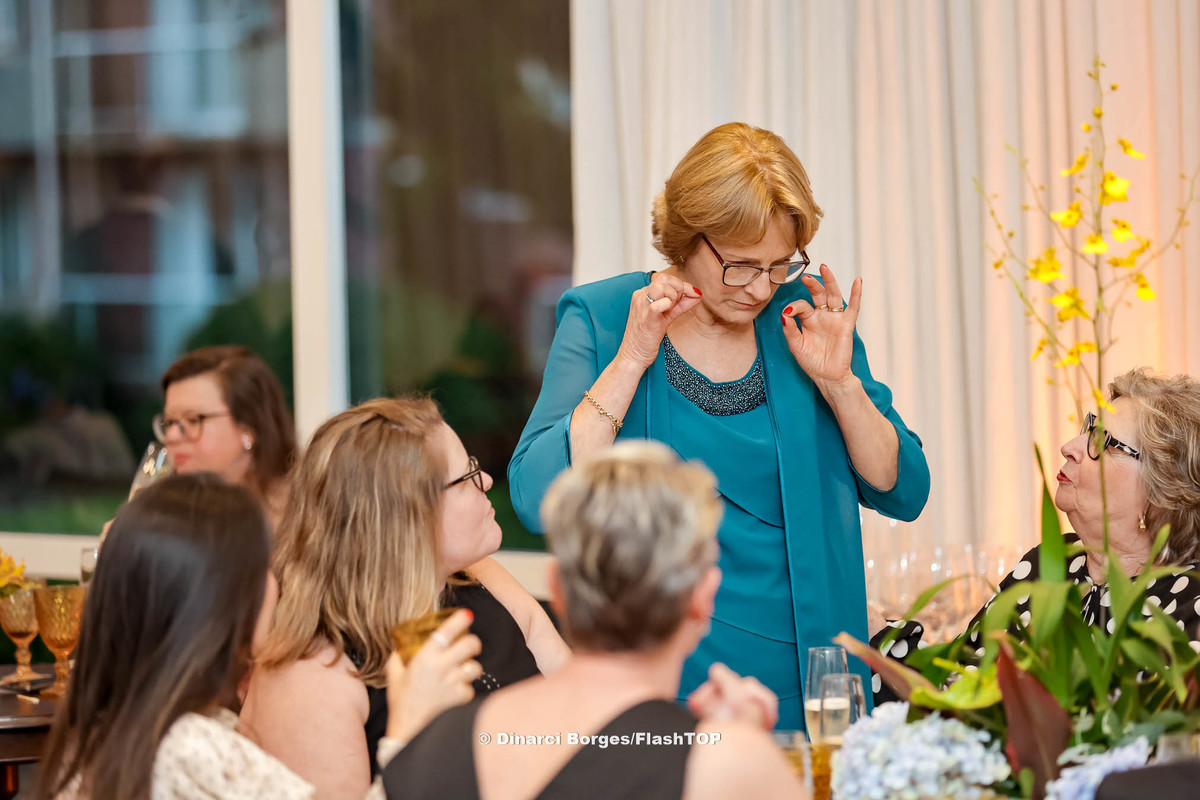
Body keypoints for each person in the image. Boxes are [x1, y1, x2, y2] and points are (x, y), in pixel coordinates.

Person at [508, 121, 930, 728]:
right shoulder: (603, 318)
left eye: (778, 264)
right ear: (688, 239)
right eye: (740, 265)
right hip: (666, 677)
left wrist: (841, 385)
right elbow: (535, 497)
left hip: (815, 671)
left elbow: (904, 490)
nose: (760, 287)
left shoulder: (804, 316)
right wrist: (630, 360)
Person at [385, 442, 807, 799]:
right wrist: (740, 747)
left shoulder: (447, 740)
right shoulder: (728, 766)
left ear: (559, 591)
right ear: (703, 596)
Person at [35, 473, 479, 800]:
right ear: (218, 600)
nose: (276, 581)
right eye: (263, 566)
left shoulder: (111, 730)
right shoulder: (187, 748)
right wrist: (409, 730)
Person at [242, 397, 570, 800]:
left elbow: (582, 705)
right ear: (408, 519)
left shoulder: (479, 578)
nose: (485, 479)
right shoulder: (313, 671)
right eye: (465, 475)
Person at [872, 368, 1200, 701]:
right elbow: (955, 692)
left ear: (1164, 493)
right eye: (1087, 429)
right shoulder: (1050, 565)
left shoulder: (1191, 606)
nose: (1068, 447)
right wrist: (872, 634)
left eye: (1101, 441)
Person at [156, 345, 295, 529]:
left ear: (248, 430)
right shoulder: (168, 509)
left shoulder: (303, 516)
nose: (172, 436)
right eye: (170, 422)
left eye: (193, 420)